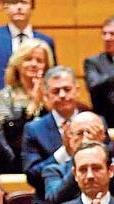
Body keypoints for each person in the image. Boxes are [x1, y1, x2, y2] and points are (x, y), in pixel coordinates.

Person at [40, 110, 114, 204]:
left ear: (102, 136)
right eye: (79, 133)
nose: (85, 138)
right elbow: (54, 200)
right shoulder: (53, 170)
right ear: (69, 138)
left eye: (90, 133)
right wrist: (80, 158)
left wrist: (99, 150)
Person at [0, 39, 53, 168]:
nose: (34, 64)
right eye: (28, 59)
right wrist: (32, 107)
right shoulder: (4, 96)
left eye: (39, 61)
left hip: (50, 159)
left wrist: (48, 106)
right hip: (15, 162)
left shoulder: (54, 95)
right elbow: (9, 133)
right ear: (18, 63)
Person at [21, 66, 81, 196]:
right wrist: (64, 152)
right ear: (46, 96)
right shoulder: (34, 129)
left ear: (77, 91)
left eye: (67, 89)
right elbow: (32, 176)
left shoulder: (95, 122)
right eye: (56, 91)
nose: (62, 95)